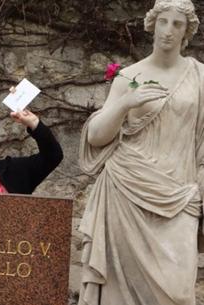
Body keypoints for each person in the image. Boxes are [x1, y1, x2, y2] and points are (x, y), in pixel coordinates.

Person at [78, 0, 203, 304]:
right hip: (126, 188)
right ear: (152, 24)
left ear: (188, 31)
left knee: (178, 292)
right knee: (119, 294)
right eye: (163, 21)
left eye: (177, 24)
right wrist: (124, 104)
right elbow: (96, 137)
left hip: (179, 193)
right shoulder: (129, 76)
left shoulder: (200, 77)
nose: (168, 31)